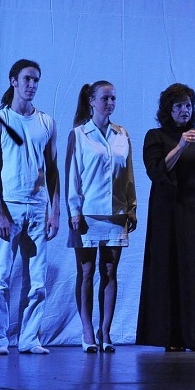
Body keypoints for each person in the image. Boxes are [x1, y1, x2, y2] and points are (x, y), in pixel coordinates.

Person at [0, 59, 60, 355]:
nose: (32, 85)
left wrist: (55, 211)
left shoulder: (47, 122)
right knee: (0, 278)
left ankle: (29, 339)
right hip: (10, 207)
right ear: (13, 81)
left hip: (38, 208)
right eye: (27, 79)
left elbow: (53, 170)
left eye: (36, 80)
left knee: (37, 281)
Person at [136, 83, 195, 352]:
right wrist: (181, 146)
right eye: (179, 105)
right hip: (168, 212)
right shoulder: (156, 136)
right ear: (168, 109)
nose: (185, 110)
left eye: (188, 105)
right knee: (169, 271)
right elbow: (157, 172)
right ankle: (170, 336)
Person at [65, 81, 137, 354]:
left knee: (109, 271)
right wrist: (74, 211)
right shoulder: (79, 134)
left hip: (116, 213)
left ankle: (105, 331)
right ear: (92, 101)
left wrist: (131, 206)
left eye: (113, 98)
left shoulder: (122, 134)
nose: (110, 103)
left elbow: (128, 174)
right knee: (86, 271)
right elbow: (73, 175)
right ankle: (87, 330)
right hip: (88, 213)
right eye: (105, 98)